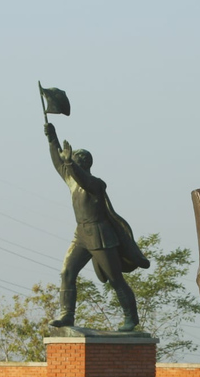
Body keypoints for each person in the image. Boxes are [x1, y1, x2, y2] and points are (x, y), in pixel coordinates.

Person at [44, 123, 149, 332]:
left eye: (73, 161)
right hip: (81, 234)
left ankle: (131, 317)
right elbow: (58, 164)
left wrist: (70, 165)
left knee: (114, 278)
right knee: (67, 272)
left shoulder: (95, 184)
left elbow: (83, 179)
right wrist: (52, 138)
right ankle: (67, 315)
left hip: (99, 234)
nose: (69, 163)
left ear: (82, 163)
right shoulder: (72, 181)